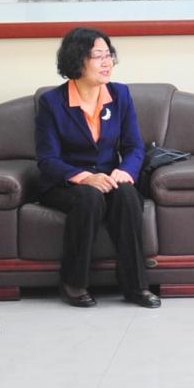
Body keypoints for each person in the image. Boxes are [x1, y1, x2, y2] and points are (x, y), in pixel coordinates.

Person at [34, 27, 158, 309]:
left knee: (127, 195)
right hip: (66, 182)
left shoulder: (120, 94)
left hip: (109, 177)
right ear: (77, 60)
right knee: (90, 198)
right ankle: (74, 283)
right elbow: (47, 159)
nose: (107, 62)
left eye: (109, 55)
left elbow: (134, 147)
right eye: (98, 56)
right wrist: (85, 177)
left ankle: (136, 285)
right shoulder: (52, 103)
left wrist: (125, 171)